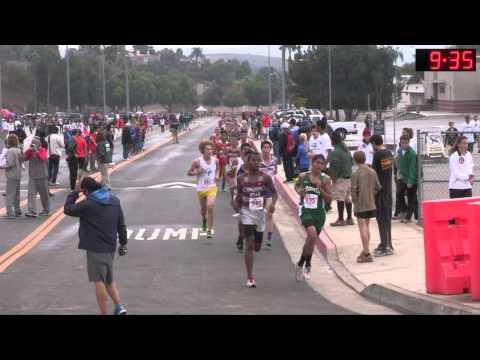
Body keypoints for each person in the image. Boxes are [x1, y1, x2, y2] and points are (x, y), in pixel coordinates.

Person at [64, 177, 128, 315]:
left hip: (95, 249)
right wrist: (123, 243)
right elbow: (121, 225)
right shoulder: (114, 201)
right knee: (109, 280)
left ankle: (104, 312)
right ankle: (119, 307)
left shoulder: (88, 204)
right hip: (110, 246)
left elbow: (68, 209)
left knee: (98, 281)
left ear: (85, 191)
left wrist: (75, 192)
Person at [233, 150, 277, 288]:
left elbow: (275, 193)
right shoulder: (241, 179)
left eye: (258, 161)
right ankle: (250, 277)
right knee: (249, 244)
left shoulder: (265, 178)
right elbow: (238, 195)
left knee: (257, 247)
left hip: (260, 214)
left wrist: (272, 205)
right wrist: (236, 204)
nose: (257, 163)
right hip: (247, 213)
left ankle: (257, 244)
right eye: (254, 160)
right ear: (247, 162)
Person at [294, 154, 332, 280]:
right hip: (306, 210)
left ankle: (301, 263)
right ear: (312, 162)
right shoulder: (303, 176)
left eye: (322, 164)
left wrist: (319, 187)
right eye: (317, 162)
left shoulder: (325, 179)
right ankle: (308, 264)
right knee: (312, 235)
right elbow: (297, 186)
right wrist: (300, 191)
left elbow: (329, 198)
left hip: (319, 213)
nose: (319, 165)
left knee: (310, 241)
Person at [351, 151, 382, 263]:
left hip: (360, 204)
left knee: (362, 228)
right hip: (371, 203)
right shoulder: (372, 171)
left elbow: (354, 190)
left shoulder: (356, 174)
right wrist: (371, 194)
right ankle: (365, 250)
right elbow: (378, 187)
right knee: (366, 227)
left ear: (355, 160)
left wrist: (355, 201)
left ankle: (367, 253)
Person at [187, 141, 220, 240]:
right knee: (203, 210)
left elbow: (218, 169)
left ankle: (209, 230)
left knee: (210, 207)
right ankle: (204, 220)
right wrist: (197, 172)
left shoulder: (215, 160)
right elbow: (188, 173)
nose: (210, 151)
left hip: (212, 187)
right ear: (202, 150)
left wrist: (217, 175)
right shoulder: (197, 161)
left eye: (211, 149)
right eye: (207, 149)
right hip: (201, 188)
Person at [370, 134, 395, 257]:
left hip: (380, 193)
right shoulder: (389, 153)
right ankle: (387, 243)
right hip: (388, 191)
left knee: (382, 220)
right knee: (387, 219)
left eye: (372, 144)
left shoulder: (378, 155)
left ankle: (386, 246)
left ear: (374, 143)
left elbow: (374, 175)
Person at [328, 131, 354, 226]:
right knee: (348, 198)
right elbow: (351, 163)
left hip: (340, 178)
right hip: (348, 177)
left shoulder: (336, 152)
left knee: (340, 198)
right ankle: (350, 218)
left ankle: (340, 219)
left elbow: (334, 167)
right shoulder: (346, 150)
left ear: (333, 140)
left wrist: (333, 179)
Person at [23, 136, 50, 217]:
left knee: (44, 194)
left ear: (39, 144)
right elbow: (24, 158)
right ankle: (32, 211)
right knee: (31, 194)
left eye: (34, 143)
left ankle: (46, 209)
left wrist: (37, 151)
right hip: (32, 176)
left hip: (42, 176)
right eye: (32, 143)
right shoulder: (30, 151)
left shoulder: (43, 150)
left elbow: (43, 159)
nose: (32, 145)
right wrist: (29, 150)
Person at [259, 140, 278, 249]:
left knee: (270, 213)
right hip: (259, 190)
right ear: (261, 149)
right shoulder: (258, 161)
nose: (266, 150)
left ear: (270, 149)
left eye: (268, 147)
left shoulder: (274, 160)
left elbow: (275, 173)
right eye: (264, 147)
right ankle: (258, 234)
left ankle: (269, 238)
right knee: (258, 213)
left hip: (270, 191)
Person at [397, 135, 418, 223]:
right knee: (399, 194)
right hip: (403, 178)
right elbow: (400, 162)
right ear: (400, 143)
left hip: (412, 179)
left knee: (411, 198)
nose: (404, 145)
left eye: (406, 143)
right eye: (402, 143)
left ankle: (409, 217)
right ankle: (407, 211)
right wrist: (399, 172)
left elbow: (412, 168)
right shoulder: (399, 151)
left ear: (409, 143)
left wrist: (411, 181)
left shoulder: (412, 154)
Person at [1, 134, 23, 219]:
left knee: (9, 195)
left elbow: (10, 163)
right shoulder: (18, 150)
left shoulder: (10, 151)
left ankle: (9, 213)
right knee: (16, 194)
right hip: (18, 174)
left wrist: (2, 166)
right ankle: (18, 210)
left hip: (11, 174)